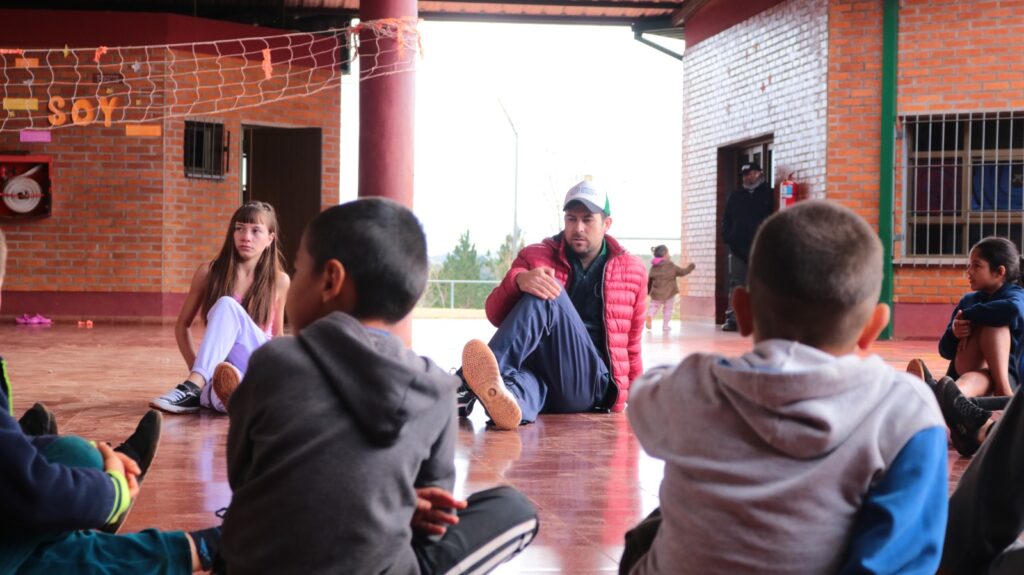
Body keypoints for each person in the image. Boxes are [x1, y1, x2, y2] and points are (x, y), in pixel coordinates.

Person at [620, 201, 947, 574]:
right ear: (873, 327)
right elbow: (902, 560)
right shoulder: (905, 410)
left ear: (742, 311)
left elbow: (641, 394)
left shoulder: (692, 386)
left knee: (655, 525)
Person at [220, 198, 538, 574]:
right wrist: (400, 505)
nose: (294, 281)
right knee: (515, 509)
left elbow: (241, 478)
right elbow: (431, 527)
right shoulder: (436, 390)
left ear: (331, 280)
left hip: (254, 563)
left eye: (300, 270)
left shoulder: (271, 363)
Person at [0, 227, 221, 574]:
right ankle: (201, 549)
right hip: (29, 502)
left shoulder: (272, 280)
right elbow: (35, 493)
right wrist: (114, 490)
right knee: (77, 481)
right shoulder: (212, 274)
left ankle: (200, 548)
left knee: (79, 455)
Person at [457, 179, 647, 430]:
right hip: (541, 377)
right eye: (571, 219)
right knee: (508, 390)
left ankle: (463, 385)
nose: (578, 228)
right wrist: (518, 281)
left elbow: (632, 344)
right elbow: (495, 314)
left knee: (548, 288)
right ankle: (512, 402)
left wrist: (640, 399)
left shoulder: (632, 270)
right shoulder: (536, 255)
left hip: (589, 383)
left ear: (606, 224)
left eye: (587, 219)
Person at [151, 201, 290, 415]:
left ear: (270, 239)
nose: (246, 237)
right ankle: (231, 392)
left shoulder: (279, 281)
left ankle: (192, 388)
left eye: (255, 231)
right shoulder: (209, 273)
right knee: (219, 392)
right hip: (227, 368)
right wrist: (198, 368)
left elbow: (278, 335)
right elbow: (182, 326)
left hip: (261, 360)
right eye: (240, 228)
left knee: (227, 304)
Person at [721, 161, 773, 332]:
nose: (747, 177)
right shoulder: (736, 197)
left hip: (762, 248)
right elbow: (726, 219)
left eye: (751, 173)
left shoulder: (769, 194)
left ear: (760, 173)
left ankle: (762, 319)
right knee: (737, 283)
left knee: (762, 283)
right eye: (744, 174)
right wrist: (728, 237)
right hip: (738, 249)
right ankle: (733, 319)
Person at [645, 245, 695, 332]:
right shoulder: (671, 266)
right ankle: (665, 326)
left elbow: (650, 281)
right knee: (668, 310)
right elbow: (682, 272)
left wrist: (648, 291)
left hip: (656, 294)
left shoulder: (653, 267)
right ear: (665, 254)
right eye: (668, 252)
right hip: (669, 293)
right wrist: (690, 267)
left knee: (653, 306)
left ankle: (650, 316)